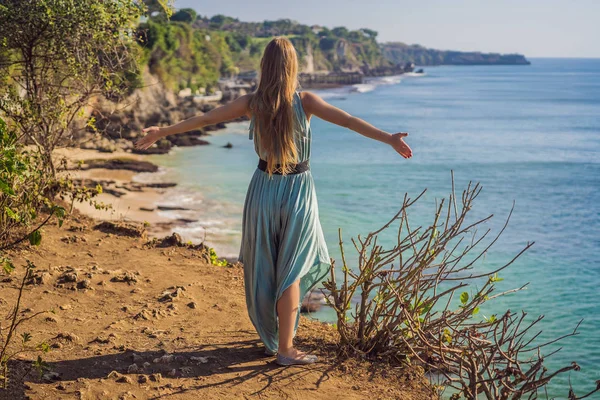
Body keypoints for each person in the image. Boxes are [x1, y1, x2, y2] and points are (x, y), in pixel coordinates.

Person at [135, 37, 412, 366]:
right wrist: (389, 139)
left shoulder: (252, 103)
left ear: (264, 67)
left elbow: (206, 120)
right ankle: (285, 349)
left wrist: (162, 131)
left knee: (266, 266)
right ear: (293, 67)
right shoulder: (306, 101)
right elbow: (349, 121)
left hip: (263, 189)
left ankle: (276, 341)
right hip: (297, 191)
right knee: (291, 269)